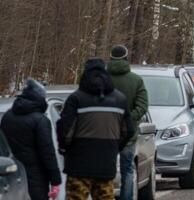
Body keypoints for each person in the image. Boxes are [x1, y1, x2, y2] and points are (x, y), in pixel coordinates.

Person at [57, 58, 135, 200]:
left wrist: (65, 148)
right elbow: (129, 130)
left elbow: (65, 129)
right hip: (106, 164)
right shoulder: (119, 99)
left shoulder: (76, 98)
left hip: (78, 166)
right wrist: (115, 147)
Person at [0, 79, 62, 200]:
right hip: (36, 179)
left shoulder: (7, 117)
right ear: (39, 98)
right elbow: (47, 153)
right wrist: (55, 181)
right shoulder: (40, 120)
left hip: (11, 176)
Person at [107, 45, 149, 200]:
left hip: (105, 133)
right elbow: (143, 105)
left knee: (105, 171)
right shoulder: (136, 80)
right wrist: (128, 119)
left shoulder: (102, 80)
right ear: (126, 58)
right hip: (128, 134)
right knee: (128, 170)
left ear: (110, 58)